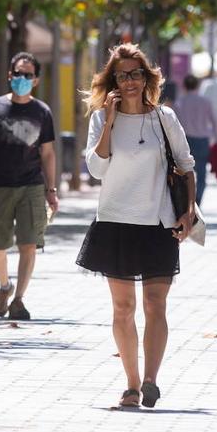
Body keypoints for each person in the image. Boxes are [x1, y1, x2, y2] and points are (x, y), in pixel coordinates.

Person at [75, 44, 195, 409]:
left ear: (147, 78)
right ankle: (130, 384)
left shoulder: (164, 118)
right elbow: (96, 170)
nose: (130, 82)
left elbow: (186, 165)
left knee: (155, 304)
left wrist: (187, 212)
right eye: (122, 75)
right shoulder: (100, 120)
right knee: (123, 309)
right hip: (115, 222)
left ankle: (150, 381)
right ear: (112, 82)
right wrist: (110, 121)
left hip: (157, 223)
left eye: (136, 74)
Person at [0, 52, 59, 321]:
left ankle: (18, 300)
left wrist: (51, 190)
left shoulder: (42, 112)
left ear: (36, 80)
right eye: (17, 74)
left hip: (31, 185)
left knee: (28, 244)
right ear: (10, 75)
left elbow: (48, 154)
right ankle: (5, 285)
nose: (22, 79)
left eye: (27, 75)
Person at [173, 74, 217, 206]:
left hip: (185, 140)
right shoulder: (205, 102)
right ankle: (197, 201)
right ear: (197, 85)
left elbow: (175, 125)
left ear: (184, 86)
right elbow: (215, 122)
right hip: (202, 140)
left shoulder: (179, 103)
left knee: (183, 173)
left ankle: (186, 201)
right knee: (201, 174)